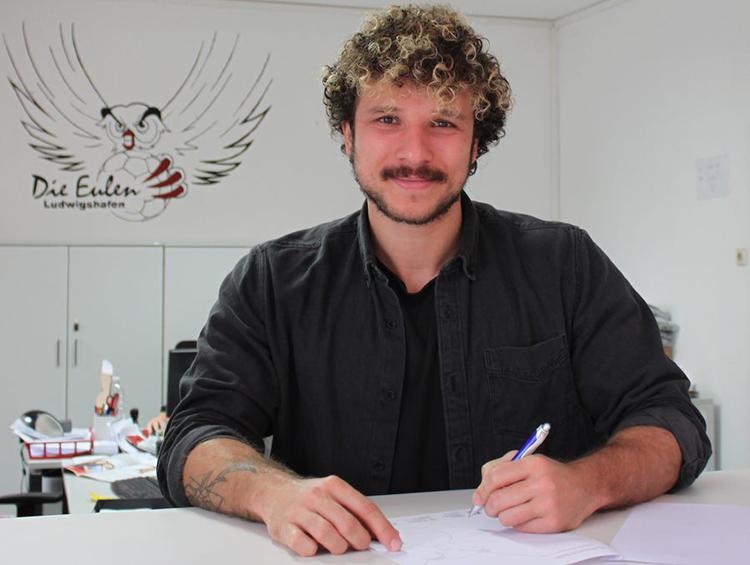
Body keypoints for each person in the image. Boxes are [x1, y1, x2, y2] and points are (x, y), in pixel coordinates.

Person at [157, 4, 711, 557]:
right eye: (387, 119)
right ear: (348, 135)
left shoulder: (564, 265)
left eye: (443, 123)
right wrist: (273, 494)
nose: (414, 153)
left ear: (476, 144)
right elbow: (195, 435)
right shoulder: (272, 283)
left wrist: (588, 483)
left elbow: (671, 422)